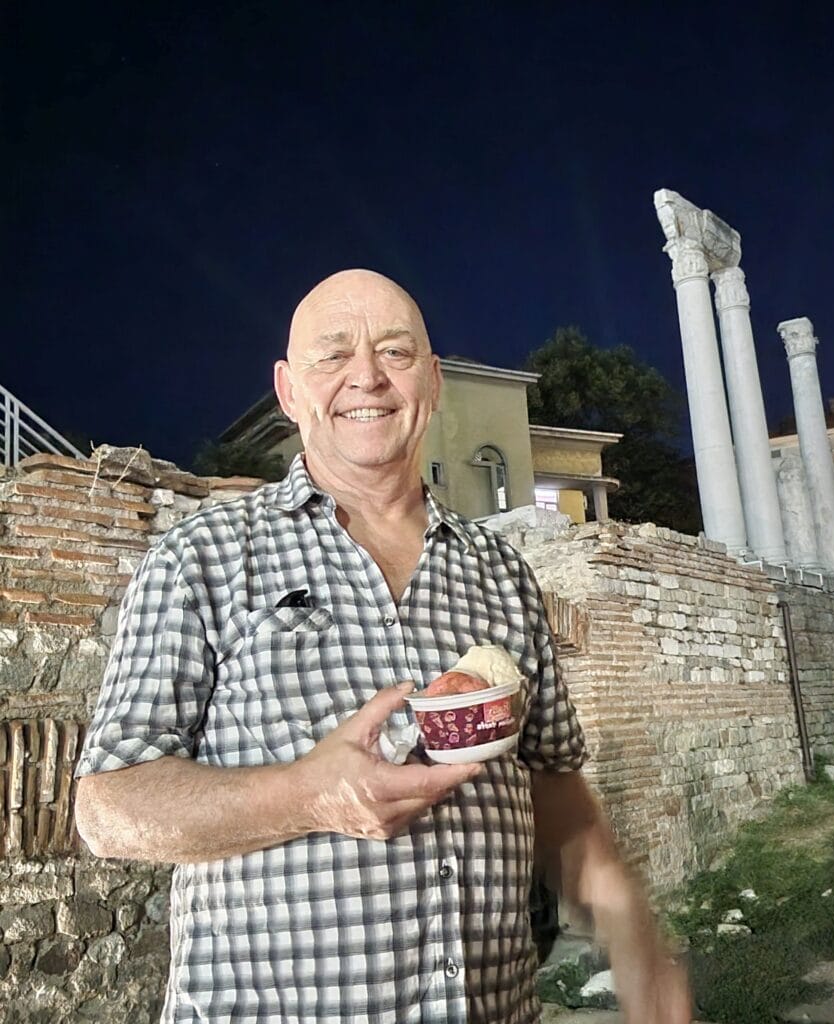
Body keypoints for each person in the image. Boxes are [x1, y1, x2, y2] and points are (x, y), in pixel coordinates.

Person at [75, 269, 693, 1024]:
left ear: (431, 383)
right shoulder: (200, 558)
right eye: (332, 355)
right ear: (288, 390)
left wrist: (636, 944)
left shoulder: (501, 572)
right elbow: (107, 808)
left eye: (395, 353)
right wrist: (307, 794)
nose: (366, 376)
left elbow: (552, 787)